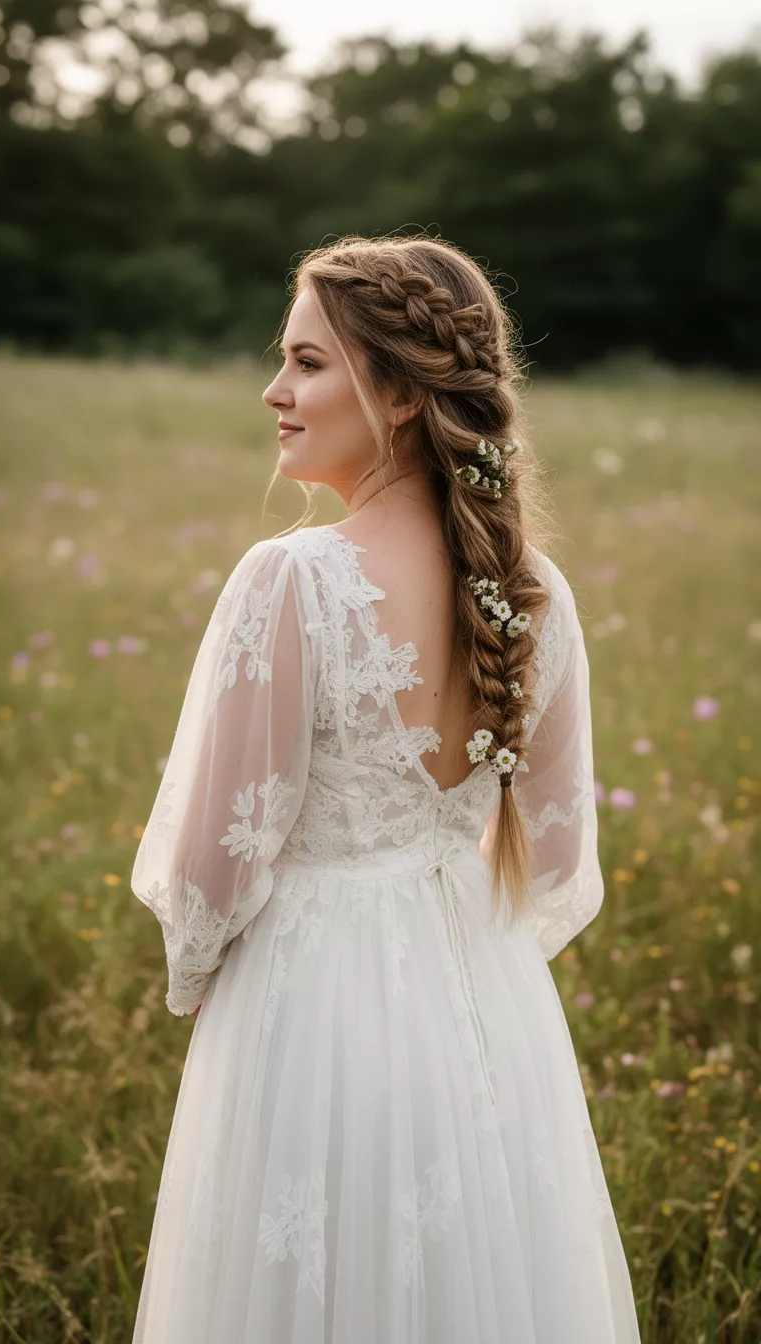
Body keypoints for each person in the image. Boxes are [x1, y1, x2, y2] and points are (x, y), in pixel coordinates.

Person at [130, 234, 642, 1342]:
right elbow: (555, 864)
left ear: (401, 393)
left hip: (305, 1008)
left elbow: (213, 871)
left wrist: (202, 990)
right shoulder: (533, 591)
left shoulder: (293, 579)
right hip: (485, 1015)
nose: (276, 391)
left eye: (308, 363)